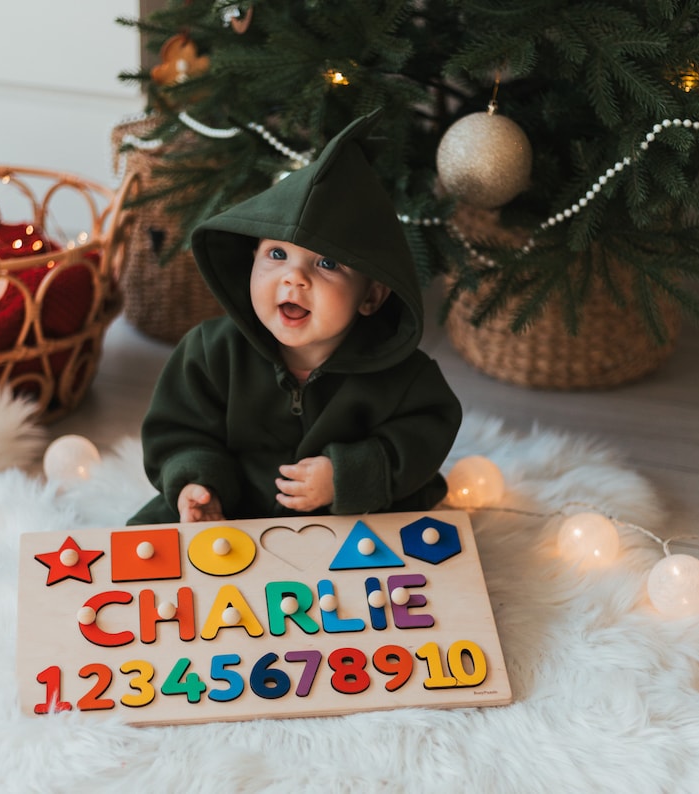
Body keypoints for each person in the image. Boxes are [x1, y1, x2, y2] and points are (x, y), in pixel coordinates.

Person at [127, 111, 462, 525]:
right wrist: (198, 483)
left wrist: (347, 476)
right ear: (253, 259)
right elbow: (179, 431)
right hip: (232, 508)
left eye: (325, 263)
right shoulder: (210, 351)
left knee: (408, 553)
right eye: (277, 254)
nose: (295, 278)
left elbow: (424, 437)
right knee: (153, 548)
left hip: (349, 513)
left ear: (371, 296)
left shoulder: (405, 378)